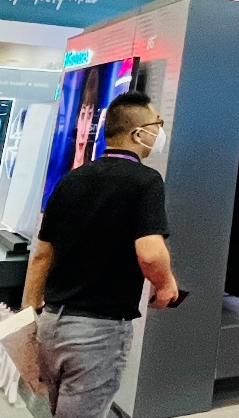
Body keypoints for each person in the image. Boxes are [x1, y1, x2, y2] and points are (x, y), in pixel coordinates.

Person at [23, 92, 177, 418]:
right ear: (138, 133)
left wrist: (31, 313)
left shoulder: (70, 180)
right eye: (158, 124)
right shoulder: (145, 181)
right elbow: (150, 253)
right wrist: (165, 285)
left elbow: (42, 255)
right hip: (98, 332)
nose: (160, 131)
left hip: (52, 323)